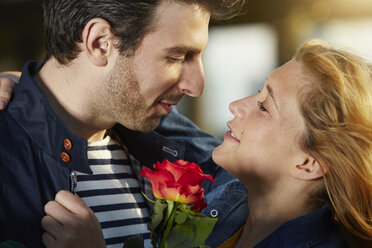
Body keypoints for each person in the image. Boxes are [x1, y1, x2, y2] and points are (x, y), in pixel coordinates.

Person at [0, 0, 246, 247]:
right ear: (100, 43)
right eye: (176, 57)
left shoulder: (157, 133)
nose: (196, 86)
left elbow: (254, 178)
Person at [208, 40, 372, 247]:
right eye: (260, 90)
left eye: (264, 107)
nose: (235, 105)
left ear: (309, 163)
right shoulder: (227, 195)